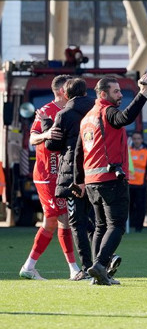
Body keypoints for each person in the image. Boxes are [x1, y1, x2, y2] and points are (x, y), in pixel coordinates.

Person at [75, 74, 147, 285]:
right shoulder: (107, 111)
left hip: (92, 180)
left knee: (101, 227)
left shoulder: (87, 118)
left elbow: (78, 152)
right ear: (103, 94)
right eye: (116, 91)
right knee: (116, 225)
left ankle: (98, 275)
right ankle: (101, 265)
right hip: (110, 178)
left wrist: (79, 180)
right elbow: (125, 118)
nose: (120, 95)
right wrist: (143, 92)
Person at [19, 74, 77, 281]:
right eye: (69, 86)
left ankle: (29, 266)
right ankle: (74, 269)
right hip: (47, 175)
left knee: (52, 222)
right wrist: (47, 134)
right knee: (63, 219)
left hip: (61, 174)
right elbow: (33, 138)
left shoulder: (70, 110)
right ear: (62, 90)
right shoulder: (46, 110)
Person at [43, 77, 96, 280]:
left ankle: (88, 267)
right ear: (85, 92)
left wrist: (47, 125)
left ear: (66, 94)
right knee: (97, 221)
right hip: (96, 172)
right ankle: (104, 260)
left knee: (77, 223)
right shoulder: (97, 110)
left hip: (72, 175)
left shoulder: (64, 114)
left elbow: (53, 145)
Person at [127, 131, 147, 233]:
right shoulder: (128, 151)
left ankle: (139, 227)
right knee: (128, 206)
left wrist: (145, 179)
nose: (136, 141)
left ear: (142, 140)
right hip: (129, 184)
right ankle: (128, 226)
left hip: (140, 185)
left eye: (138, 139)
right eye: (134, 139)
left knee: (140, 206)